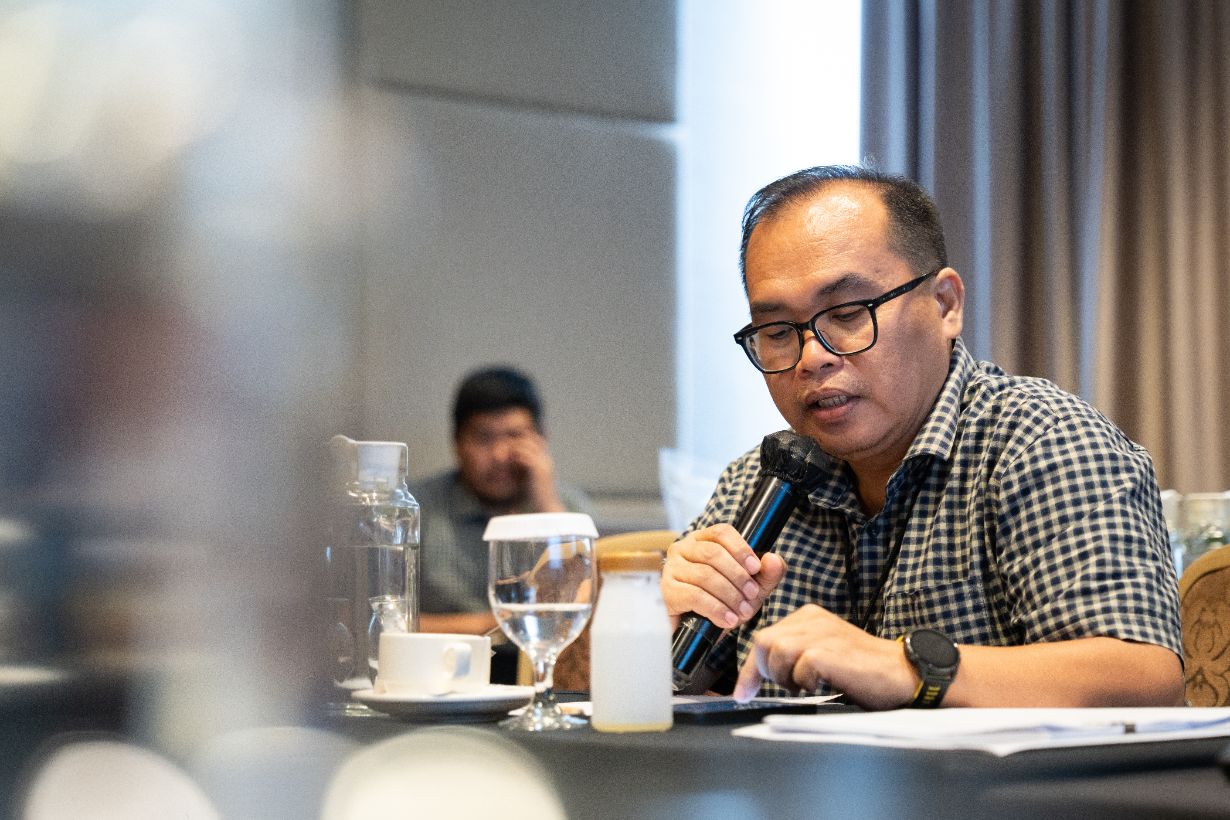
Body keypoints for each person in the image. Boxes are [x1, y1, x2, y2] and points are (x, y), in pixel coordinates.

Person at [662, 165, 1184, 709]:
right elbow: (689, 694)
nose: (812, 357)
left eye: (847, 314)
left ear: (945, 305)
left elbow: (1144, 676)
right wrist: (654, 634)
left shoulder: (1040, 441)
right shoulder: (759, 482)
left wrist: (907, 667)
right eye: (776, 331)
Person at [413, 366, 592, 636]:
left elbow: (587, 603)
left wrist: (547, 506)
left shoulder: (569, 508)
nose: (499, 455)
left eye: (514, 436)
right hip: (443, 658)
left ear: (542, 438)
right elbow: (386, 620)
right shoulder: (416, 508)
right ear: (457, 443)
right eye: (483, 438)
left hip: (540, 658)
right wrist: (498, 622)